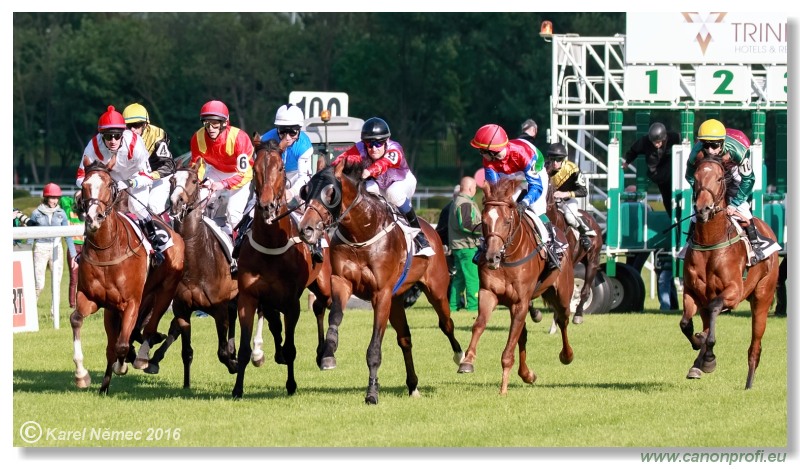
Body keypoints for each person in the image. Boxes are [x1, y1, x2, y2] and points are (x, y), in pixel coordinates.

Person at [231, 103, 322, 271]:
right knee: (251, 208)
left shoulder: (304, 144)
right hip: (272, 178)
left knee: (310, 206)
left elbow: (304, 177)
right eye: (282, 131)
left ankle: (317, 244)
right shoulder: (266, 139)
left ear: (299, 130)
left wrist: (291, 192)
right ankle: (238, 248)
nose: (286, 137)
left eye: (292, 132)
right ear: (277, 129)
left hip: (295, 176)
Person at [76, 105, 168, 264]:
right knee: (97, 206)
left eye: (117, 136)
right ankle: (88, 246)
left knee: (136, 207)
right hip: (110, 176)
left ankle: (155, 245)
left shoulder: (136, 144)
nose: (113, 141)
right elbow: (80, 176)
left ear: (123, 134)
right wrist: (92, 186)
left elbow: (147, 176)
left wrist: (127, 183)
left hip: (135, 175)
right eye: (108, 136)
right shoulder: (92, 146)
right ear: (101, 135)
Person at [331, 117, 433, 255]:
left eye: (378, 144)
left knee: (393, 192)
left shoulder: (395, 149)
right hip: (380, 184)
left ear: (386, 141)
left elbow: (383, 163)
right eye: (369, 143)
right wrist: (330, 170)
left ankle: (419, 236)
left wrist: (368, 171)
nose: (373, 148)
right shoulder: (360, 148)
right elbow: (342, 158)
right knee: (367, 189)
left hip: (402, 182)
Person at [470, 123, 561, 270]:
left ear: (492, 150)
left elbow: (536, 186)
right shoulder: (489, 159)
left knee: (537, 209)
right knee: (497, 211)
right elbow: (495, 189)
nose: (481, 154)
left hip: (534, 173)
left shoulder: (523, 154)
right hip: (510, 176)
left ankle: (553, 246)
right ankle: (483, 246)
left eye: (482, 151)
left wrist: (524, 202)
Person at [685, 119, 766, 263]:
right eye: (706, 145)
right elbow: (690, 177)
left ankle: (755, 246)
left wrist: (734, 204)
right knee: (696, 211)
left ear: (722, 142)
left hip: (733, 172)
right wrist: (701, 195)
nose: (710, 150)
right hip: (709, 176)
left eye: (714, 145)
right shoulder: (695, 154)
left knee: (743, 209)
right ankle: (689, 244)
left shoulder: (737, 152)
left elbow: (749, 179)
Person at [190, 100, 255, 241]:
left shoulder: (239, 137)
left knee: (234, 214)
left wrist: (223, 184)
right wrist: (199, 182)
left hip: (239, 174)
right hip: (215, 171)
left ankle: (238, 248)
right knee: (196, 202)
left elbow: (246, 174)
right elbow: (197, 166)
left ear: (225, 123)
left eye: (215, 124)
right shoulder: (198, 137)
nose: (211, 128)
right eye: (207, 123)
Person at [122, 103, 176, 217]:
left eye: (136, 125)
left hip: (159, 176)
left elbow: (169, 165)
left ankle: (165, 233)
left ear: (145, 125)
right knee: (135, 207)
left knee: (154, 205)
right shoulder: (119, 137)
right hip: (137, 176)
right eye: (128, 125)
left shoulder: (157, 135)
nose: (132, 129)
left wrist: (150, 176)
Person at [545, 142, 597, 251]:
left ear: (563, 159)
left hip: (567, 201)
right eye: (552, 159)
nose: (554, 163)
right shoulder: (544, 168)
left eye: (558, 160)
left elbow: (583, 191)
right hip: (548, 202)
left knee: (569, 217)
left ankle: (584, 235)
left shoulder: (572, 169)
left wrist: (565, 194)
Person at [29, 183, 77, 301]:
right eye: (52, 198)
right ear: (46, 198)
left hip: (57, 248)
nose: (54, 201)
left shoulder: (62, 213)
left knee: (56, 284)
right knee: (39, 285)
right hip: (40, 248)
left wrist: (74, 256)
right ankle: (31, 311)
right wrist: (27, 251)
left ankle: (53, 314)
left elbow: (68, 236)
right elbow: (30, 235)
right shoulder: (36, 213)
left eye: (56, 198)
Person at [622, 122, 681, 217]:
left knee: (676, 195)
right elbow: (633, 150)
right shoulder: (645, 141)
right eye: (654, 142)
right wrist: (627, 162)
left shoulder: (674, 137)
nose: (656, 145)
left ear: (664, 138)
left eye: (658, 142)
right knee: (666, 198)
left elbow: (688, 141)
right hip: (658, 175)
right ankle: (672, 219)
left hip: (672, 173)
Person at [448, 176, 481, 312]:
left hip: (458, 246)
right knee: (472, 278)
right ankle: (473, 307)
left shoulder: (457, 201)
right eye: (475, 188)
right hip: (467, 246)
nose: (475, 190)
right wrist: (484, 229)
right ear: (470, 188)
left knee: (459, 278)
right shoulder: (465, 203)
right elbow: (466, 225)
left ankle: (453, 306)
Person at [59, 192, 84, 309]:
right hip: (73, 246)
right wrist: (77, 196)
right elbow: (63, 199)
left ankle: (82, 302)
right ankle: (72, 304)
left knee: (85, 277)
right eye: (79, 198)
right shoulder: (69, 210)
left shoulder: (89, 212)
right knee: (74, 276)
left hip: (86, 247)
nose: (81, 200)